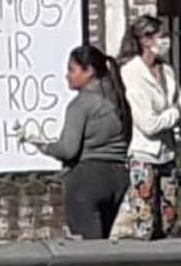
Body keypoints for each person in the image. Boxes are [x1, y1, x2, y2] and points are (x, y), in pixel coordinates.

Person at [20, 45, 131, 240]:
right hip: (117, 177)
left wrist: (39, 143)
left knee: (87, 250)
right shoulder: (118, 100)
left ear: (89, 72)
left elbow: (68, 150)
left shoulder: (81, 104)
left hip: (87, 180)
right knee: (104, 243)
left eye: (72, 70)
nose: (67, 75)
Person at [111, 15, 181, 241]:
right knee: (144, 221)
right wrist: (173, 114)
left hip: (167, 154)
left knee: (169, 219)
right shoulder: (132, 72)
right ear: (145, 40)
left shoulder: (168, 71)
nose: (165, 41)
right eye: (161, 37)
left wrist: (174, 114)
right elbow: (148, 123)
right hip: (144, 154)